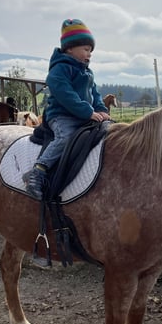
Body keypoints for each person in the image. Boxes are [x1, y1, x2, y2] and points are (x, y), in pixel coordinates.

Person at [26, 19, 110, 200]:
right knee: (66, 137)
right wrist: (87, 112)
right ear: (70, 48)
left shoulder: (87, 72)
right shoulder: (59, 70)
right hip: (62, 116)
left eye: (91, 51)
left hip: (82, 115)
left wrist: (101, 109)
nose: (89, 54)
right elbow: (66, 95)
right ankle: (39, 170)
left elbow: (94, 93)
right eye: (86, 49)